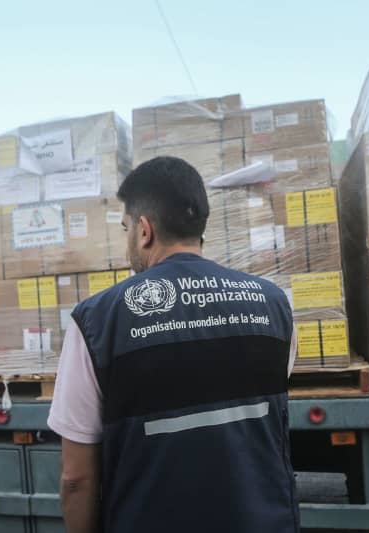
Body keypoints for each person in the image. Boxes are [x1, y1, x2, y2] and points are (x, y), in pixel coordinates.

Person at [47, 156, 299, 533]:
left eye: (125, 227)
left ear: (144, 230)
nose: (128, 238)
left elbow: (76, 479)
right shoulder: (274, 303)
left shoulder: (97, 320)